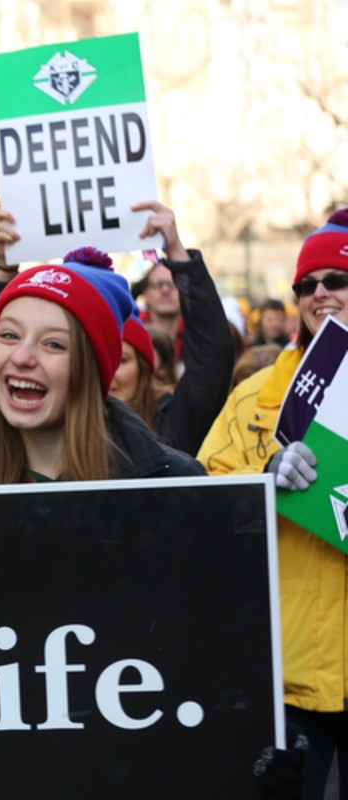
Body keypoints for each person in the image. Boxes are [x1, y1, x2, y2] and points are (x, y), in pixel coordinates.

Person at [198, 208, 348, 800]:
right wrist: (261, 480)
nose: (319, 294)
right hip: (288, 669)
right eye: (306, 285)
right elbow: (202, 499)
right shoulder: (255, 396)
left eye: (336, 280)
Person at [0, 258, 203, 485]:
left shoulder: (172, 483)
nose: (21, 358)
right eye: (9, 335)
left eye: (54, 344)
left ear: (92, 369)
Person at [68, 206, 235, 456]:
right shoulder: (55, 428)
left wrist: (178, 255)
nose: (107, 372)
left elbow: (213, 354)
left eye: (121, 360)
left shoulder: (172, 424)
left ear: (144, 368)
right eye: (96, 359)